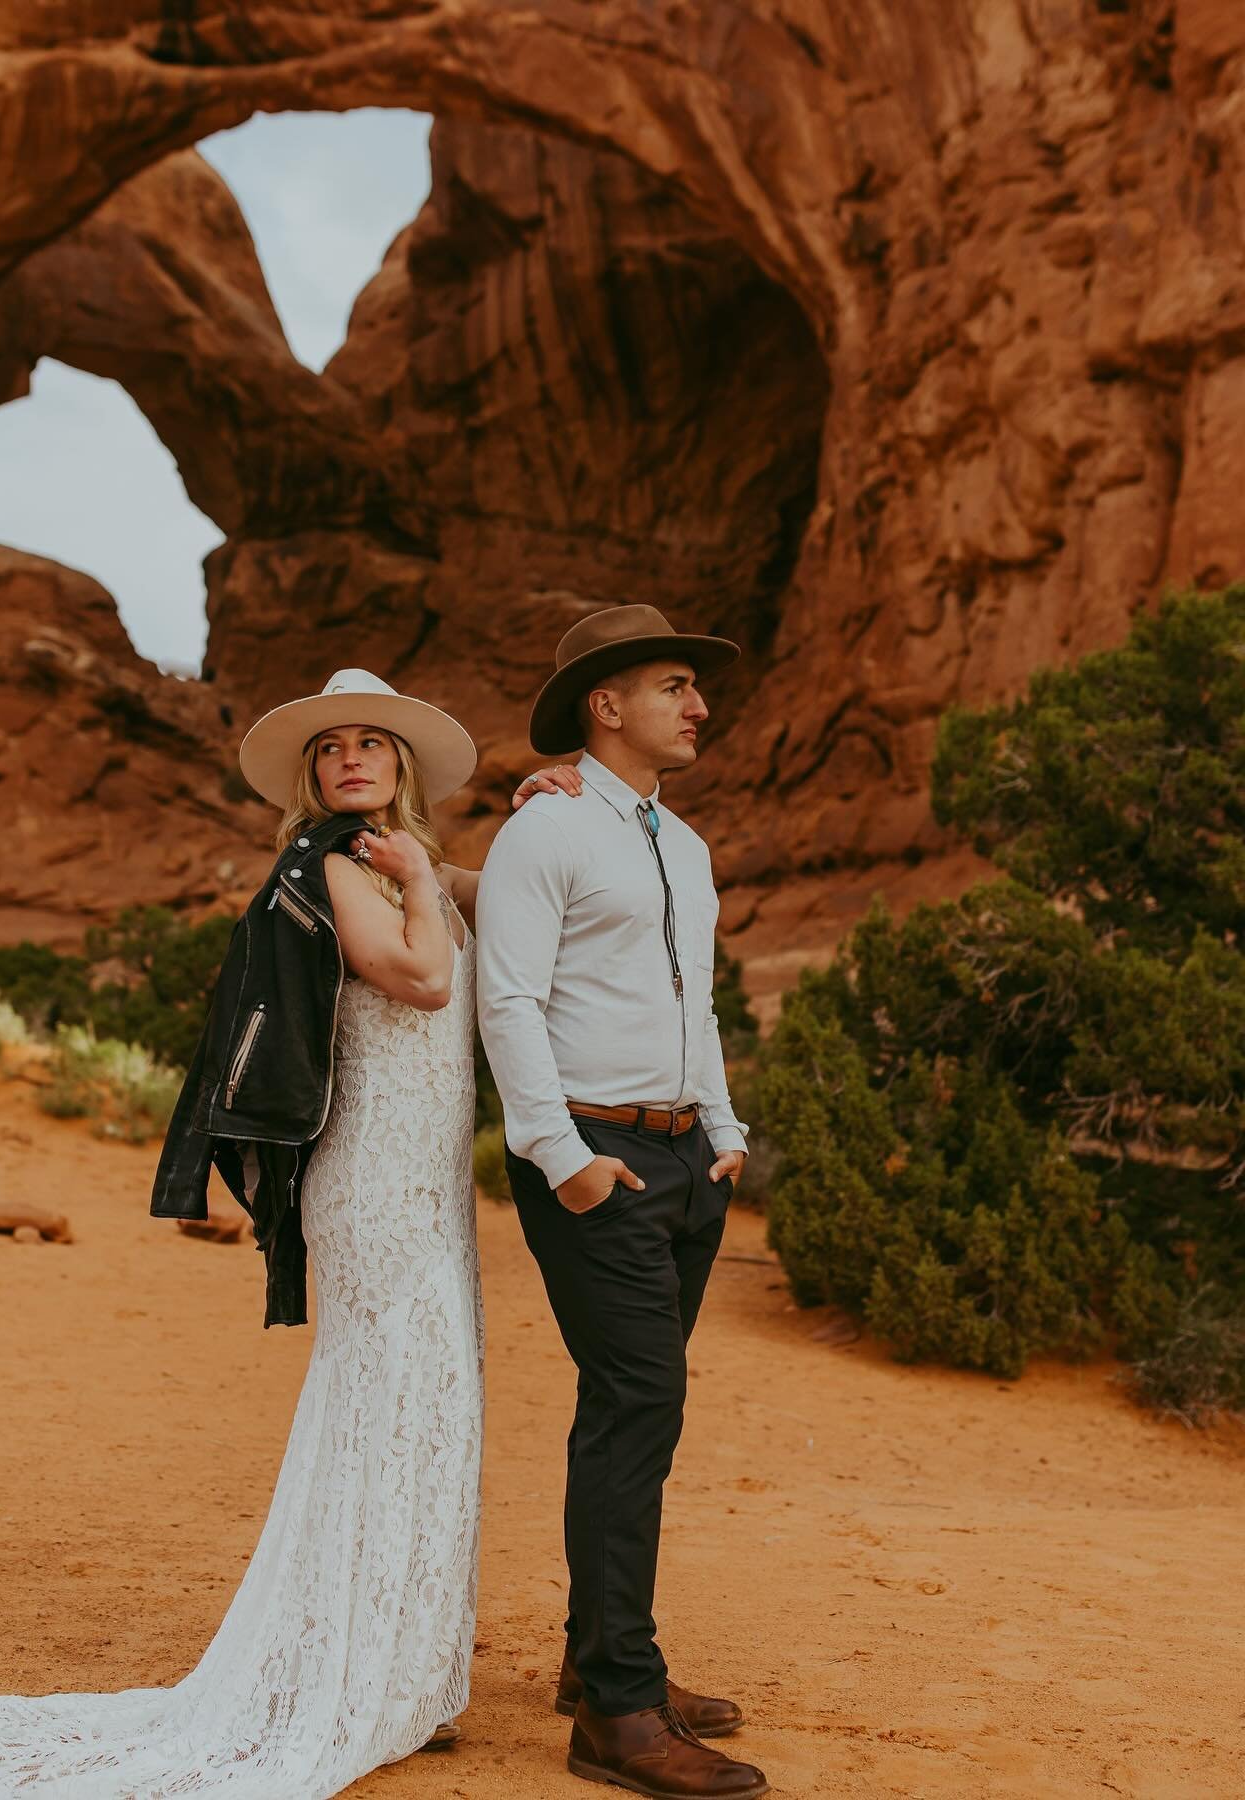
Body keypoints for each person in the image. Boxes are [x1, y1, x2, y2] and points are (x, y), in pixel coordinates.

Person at [0, 668, 580, 1800]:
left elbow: (521, 896)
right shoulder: (341, 864)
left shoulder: (408, 865)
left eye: (372, 745)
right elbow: (422, 979)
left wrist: (546, 813)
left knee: (431, 1408)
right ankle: (352, 1677)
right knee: (388, 1405)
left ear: (401, 770)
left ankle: (400, 1677)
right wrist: (424, 884)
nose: (351, 760)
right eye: (331, 747)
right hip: (373, 1188)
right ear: (313, 777)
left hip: (429, 1190)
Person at [476, 606, 771, 1799]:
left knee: (633, 1413)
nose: (698, 705)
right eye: (672, 685)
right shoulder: (542, 834)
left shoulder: (683, 846)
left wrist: (725, 1129)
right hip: (593, 1155)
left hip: (685, 1156)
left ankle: (594, 1663)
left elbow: (688, 1002)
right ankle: (618, 1713)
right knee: (637, 1405)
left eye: (695, 688)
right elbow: (510, 1001)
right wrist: (564, 1156)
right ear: (606, 705)